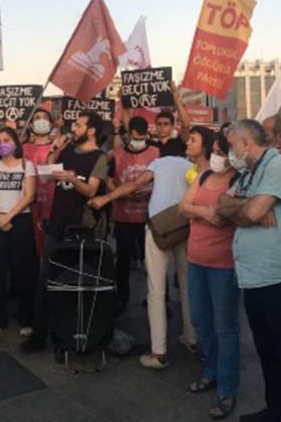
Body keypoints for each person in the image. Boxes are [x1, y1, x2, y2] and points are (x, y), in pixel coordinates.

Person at [89, 129, 211, 369]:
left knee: (156, 289)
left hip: (159, 228)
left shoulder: (158, 162)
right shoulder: (193, 166)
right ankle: (192, 339)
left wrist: (105, 199)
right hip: (185, 227)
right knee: (187, 286)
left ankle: (159, 352)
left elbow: (135, 183)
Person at [19, 111, 108, 354]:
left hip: (81, 228)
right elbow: (47, 175)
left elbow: (91, 190)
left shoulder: (100, 157)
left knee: (74, 284)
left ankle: (69, 337)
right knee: (45, 280)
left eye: (78, 125)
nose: (74, 129)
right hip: (56, 224)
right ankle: (39, 335)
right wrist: (54, 150)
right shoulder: (68, 150)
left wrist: (72, 178)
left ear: (91, 130)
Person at [217, 120, 281, 422]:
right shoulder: (248, 172)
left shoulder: (275, 165)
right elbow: (222, 205)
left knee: (275, 349)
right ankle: (275, 410)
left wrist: (246, 211)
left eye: (231, 145)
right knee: (266, 348)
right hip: (253, 275)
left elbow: (253, 214)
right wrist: (247, 206)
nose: (230, 152)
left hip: (273, 276)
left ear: (246, 143)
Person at [178, 132, 240, 421]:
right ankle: (211, 373)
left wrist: (197, 212)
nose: (214, 155)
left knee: (225, 326)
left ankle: (227, 389)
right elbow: (183, 207)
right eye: (213, 149)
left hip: (223, 266)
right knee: (201, 320)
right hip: (196, 261)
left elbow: (229, 215)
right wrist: (203, 211)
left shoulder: (239, 181)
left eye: (219, 151)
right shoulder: (203, 177)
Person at [0, 127, 37, 336]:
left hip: (20, 221)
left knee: (23, 271)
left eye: (6, 139)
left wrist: (8, 216)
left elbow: (29, 195)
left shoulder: (27, 165)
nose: (2, 144)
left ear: (15, 142)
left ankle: (26, 319)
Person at [108, 117, 160, 313]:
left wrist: (145, 190)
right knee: (122, 259)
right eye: (133, 135)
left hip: (149, 217)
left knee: (153, 261)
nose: (136, 139)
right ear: (128, 134)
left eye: (140, 135)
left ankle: (156, 298)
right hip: (124, 217)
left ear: (146, 134)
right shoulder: (118, 154)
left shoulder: (156, 153)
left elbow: (159, 179)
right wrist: (120, 190)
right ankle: (122, 296)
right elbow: (109, 179)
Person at [22, 108, 56, 257]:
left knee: (49, 249)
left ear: (51, 124)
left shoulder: (60, 147)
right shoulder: (22, 149)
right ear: (30, 125)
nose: (41, 120)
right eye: (37, 118)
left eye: (44, 118)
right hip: (27, 205)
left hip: (53, 206)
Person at [150, 84, 191, 157]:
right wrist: (123, 101)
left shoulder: (179, 142)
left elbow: (186, 125)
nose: (162, 127)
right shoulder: (150, 144)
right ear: (155, 125)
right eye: (159, 124)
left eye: (166, 124)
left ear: (172, 126)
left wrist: (177, 101)